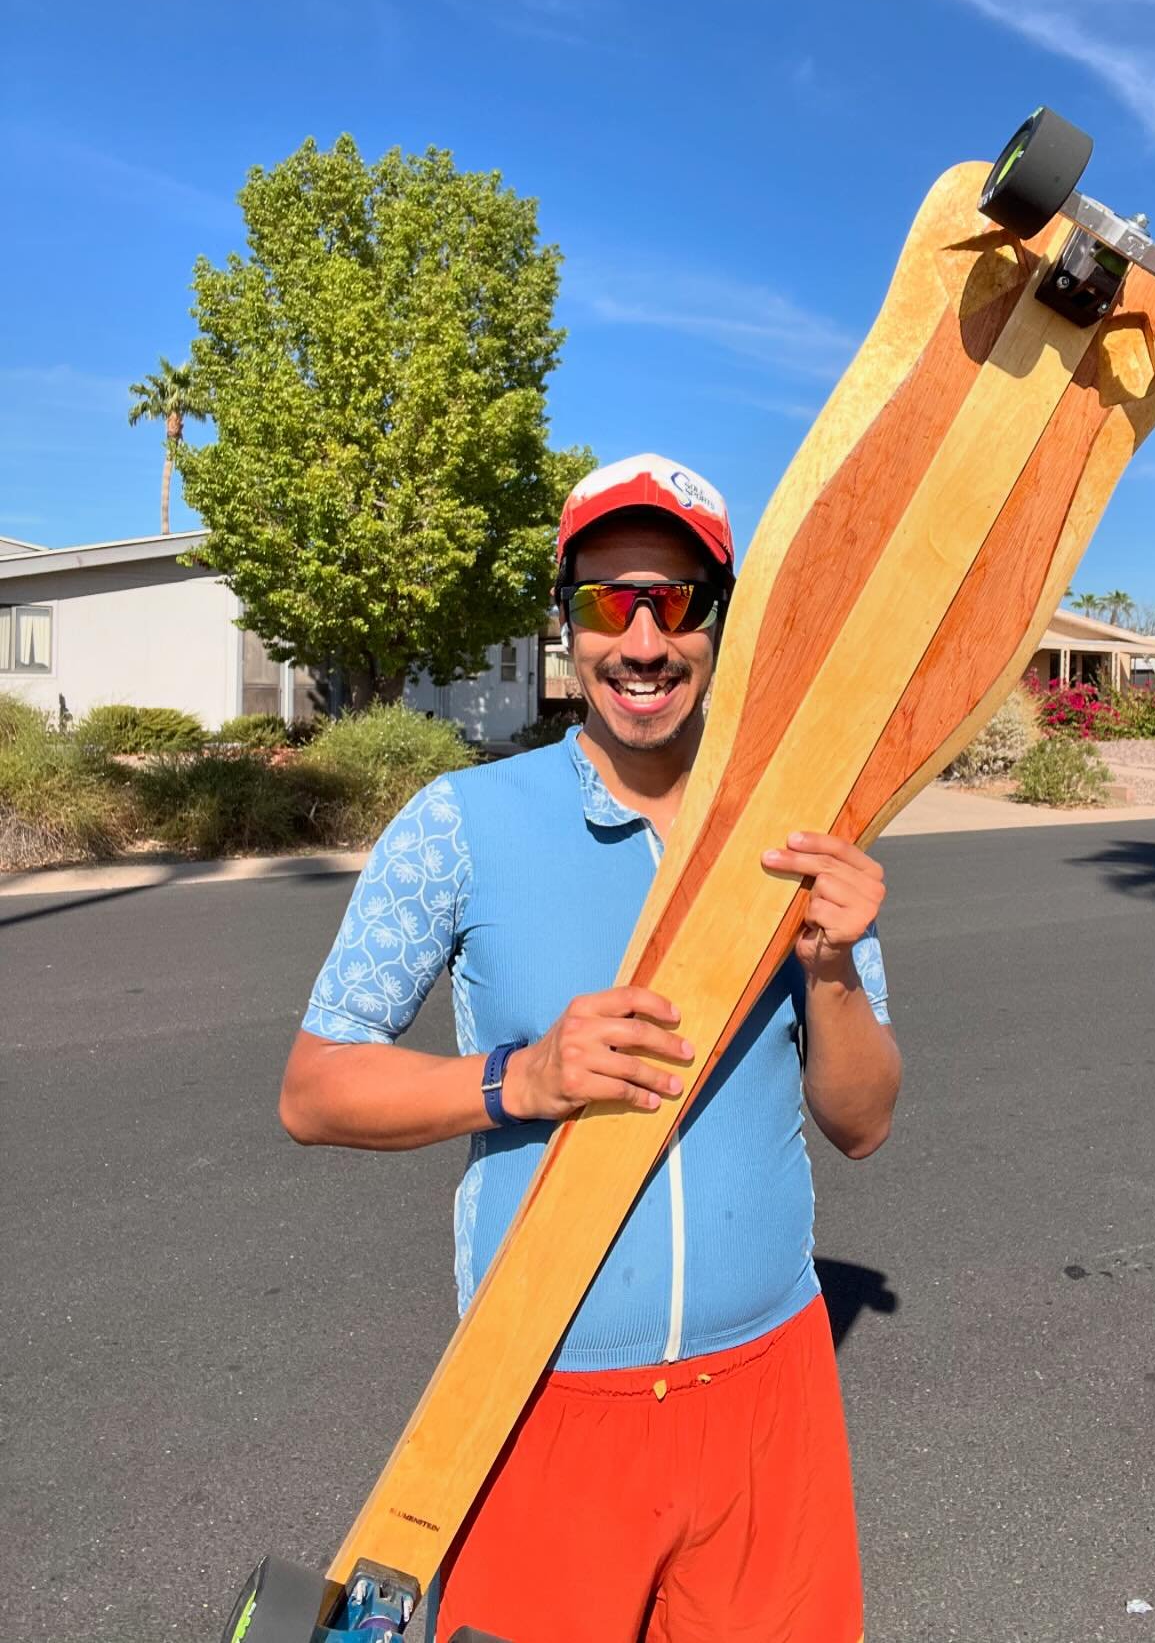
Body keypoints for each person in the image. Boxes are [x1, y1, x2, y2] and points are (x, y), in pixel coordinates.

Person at [279, 453, 902, 1642]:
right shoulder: (457, 824)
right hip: (535, 1399)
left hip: (770, 1393)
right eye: (611, 602)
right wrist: (526, 1077)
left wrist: (829, 962)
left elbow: (864, 1120)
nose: (645, 640)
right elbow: (315, 1088)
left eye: (678, 602)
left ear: (723, 623)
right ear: (564, 623)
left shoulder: (802, 833)